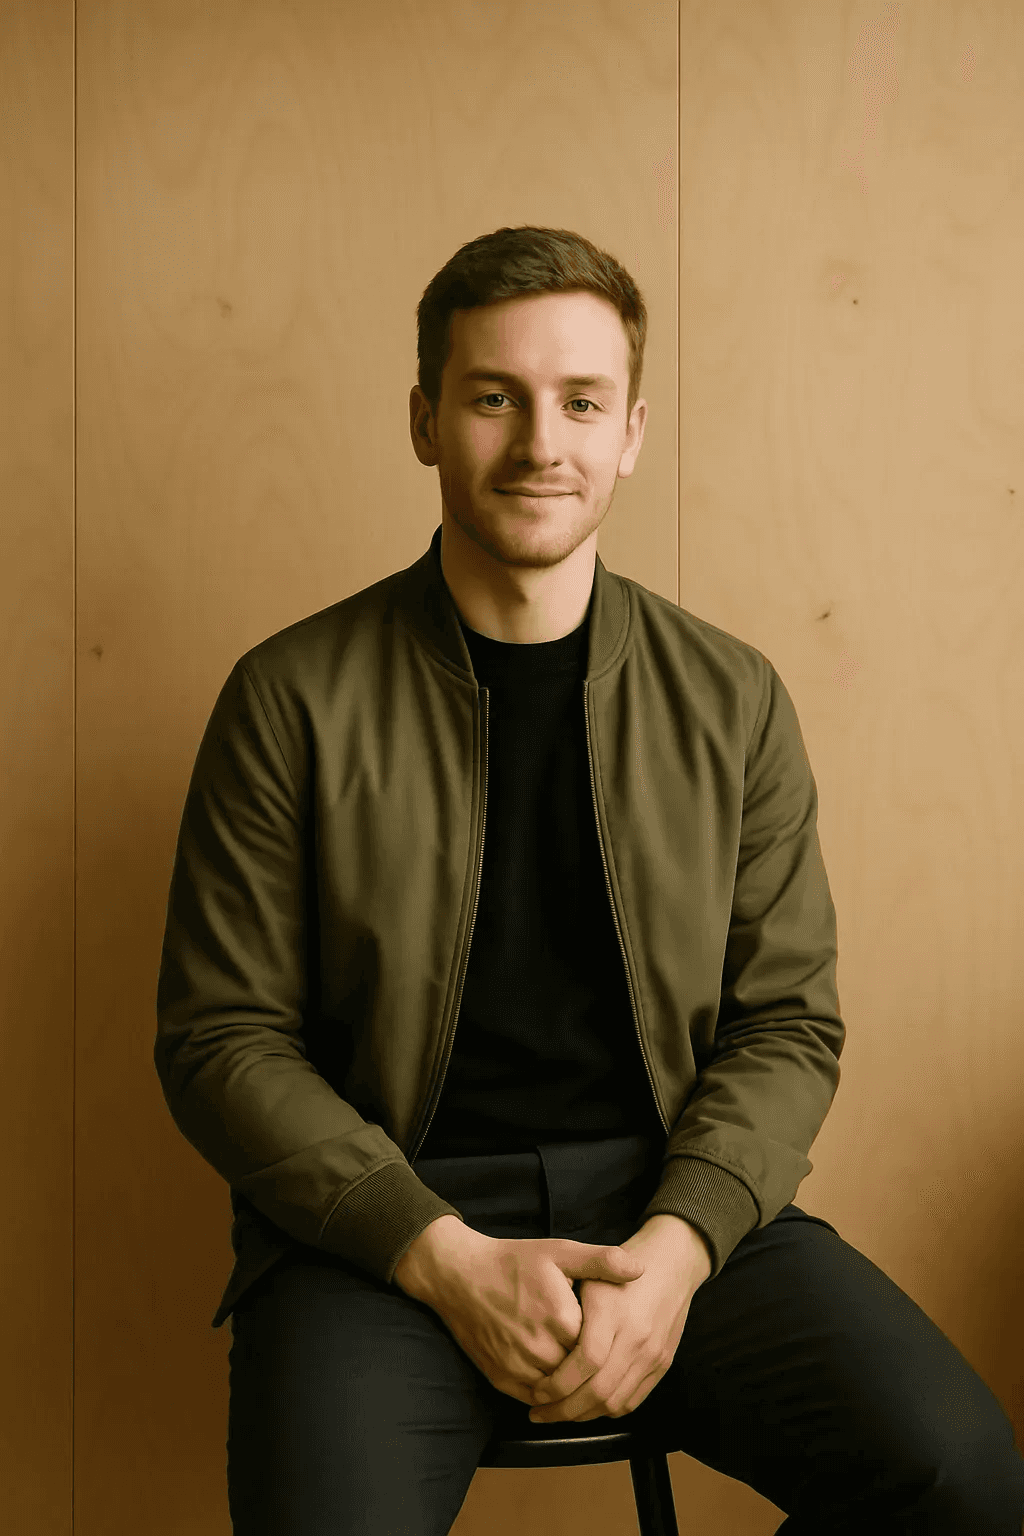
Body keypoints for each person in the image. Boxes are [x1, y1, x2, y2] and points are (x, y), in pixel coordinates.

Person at [154, 225, 1024, 1535]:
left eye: (580, 402)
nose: (539, 444)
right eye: (494, 396)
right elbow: (222, 1038)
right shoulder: (292, 698)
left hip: (667, 1203)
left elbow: (788, 1023)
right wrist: (440, 1258)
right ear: (425, 420)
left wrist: (676, 1254)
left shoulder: (730, 700)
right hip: (384, 1227)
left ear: (630, 432)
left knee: (963, 1478)